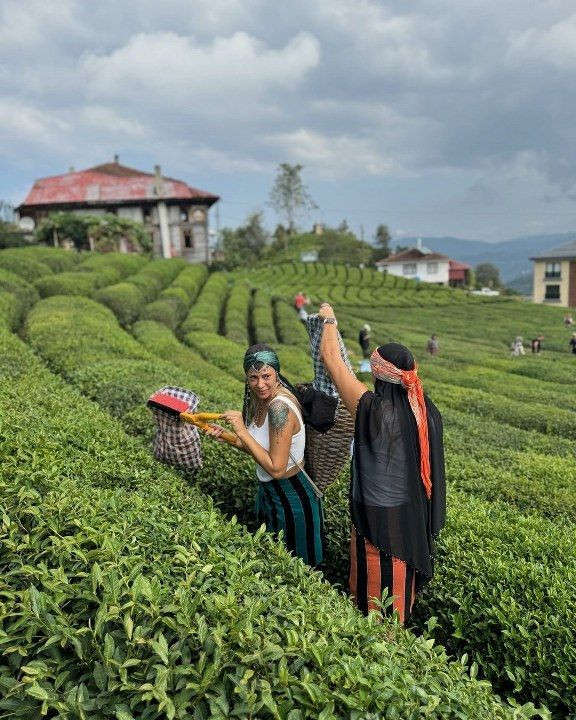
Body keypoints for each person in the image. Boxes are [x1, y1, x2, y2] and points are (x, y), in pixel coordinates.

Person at [318, 303, 446, 624]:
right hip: (412, 526)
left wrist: (329, 318)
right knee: (398, 611)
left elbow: (331, 360)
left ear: (378, 375)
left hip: (378, 529)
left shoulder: (374, 411)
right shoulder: (426, 411)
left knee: (373, 614)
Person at [205, 344, 324, 567]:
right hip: (271, 495)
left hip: (292, 498)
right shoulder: (261, 401)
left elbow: (277, 468)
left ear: (276, 373)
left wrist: (241, 430)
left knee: (297, 570)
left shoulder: (279, 407)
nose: (261, 384)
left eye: (266, 376)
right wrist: (230, 437)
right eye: (253, 378)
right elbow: (260, 448)